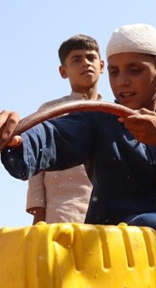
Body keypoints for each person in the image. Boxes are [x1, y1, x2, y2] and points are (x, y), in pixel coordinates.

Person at [0, 23, 156, 241]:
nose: (122, 82)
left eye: (134, 70)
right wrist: (18, 140)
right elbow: (56, 135)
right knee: (152, 224)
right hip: (113, 243)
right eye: (114, 72)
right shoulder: (97, 118)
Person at [26, 34, 102, 224]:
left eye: (90, 58)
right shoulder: (50, 112)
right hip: (61, 210)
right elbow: (36, 166)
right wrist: (38, 212)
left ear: (102, 66)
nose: (85, 63)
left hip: (106, 211)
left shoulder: (113, 113)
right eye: (76, 60)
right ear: (63, 71)